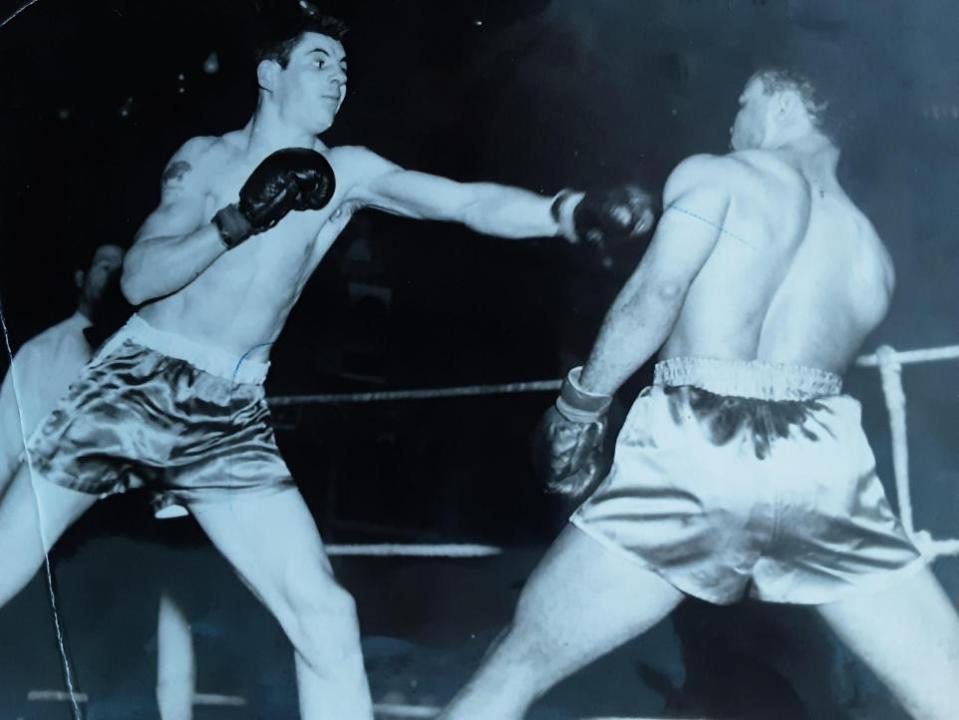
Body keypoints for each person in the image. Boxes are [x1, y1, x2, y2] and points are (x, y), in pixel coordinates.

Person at [0, 12, 655, 720]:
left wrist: (569, 212)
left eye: (344, 70)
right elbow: (137, 280)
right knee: (7, 557)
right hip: (133, 384)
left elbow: (463, 202)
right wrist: (238, 221)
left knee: (325, 615)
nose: (338, 80)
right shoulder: (206, 160)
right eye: (318, 62)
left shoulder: (348, 172)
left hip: (228, 414)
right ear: (268, 73)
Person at [439, 68, 959, 720]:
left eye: (740, 103)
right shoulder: (869, 254)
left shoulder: (719, 175)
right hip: (824, 464)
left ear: (781, 97)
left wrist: (579, 407)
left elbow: (655, 293)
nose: (731, 122)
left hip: (697, 445)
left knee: (518, 663)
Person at [0, 245, 199, 720]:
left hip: (122, 538)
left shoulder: (151, 358)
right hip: (48, 540)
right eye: (105, 264)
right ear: (80, 275)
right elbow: (7, 449)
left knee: (124, 664)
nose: (113, 275)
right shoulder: (40, 354)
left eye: (122, 267)